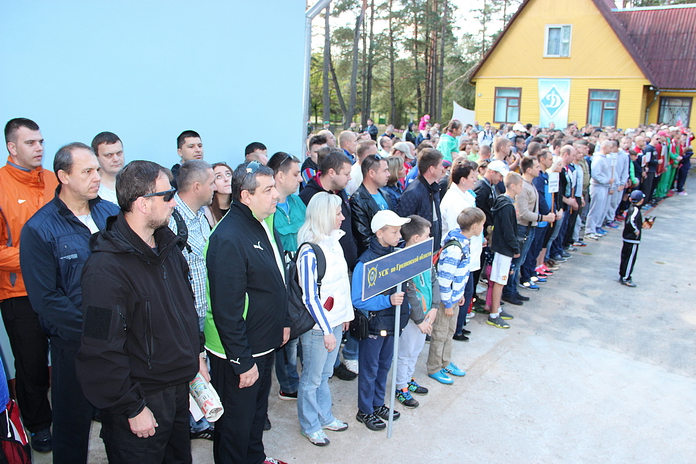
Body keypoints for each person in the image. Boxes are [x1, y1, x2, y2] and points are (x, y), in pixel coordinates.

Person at [75, 160, 204, 463]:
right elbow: (98, 349)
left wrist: (196, 356)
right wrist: (131, 407)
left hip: (177, 390)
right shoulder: (104, 269)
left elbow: (185, 309)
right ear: (143, 204)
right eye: (167, 195)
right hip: (140, 399)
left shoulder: (169, 248)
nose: (174, 202)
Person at [20, 142, 120, 463]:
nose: (97, 177)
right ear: (63, 176)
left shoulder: (110, 213)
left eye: (97, 170)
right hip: (74, 345)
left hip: (120, 339)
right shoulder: (39, 229)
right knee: (72, 429)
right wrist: (98, 329)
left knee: (121, 421)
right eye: (87, 171)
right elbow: (46, 299)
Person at [205, 161, 289, 464]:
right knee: (234, 426)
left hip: (264, 343)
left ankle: (255, 458)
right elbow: (227, 310)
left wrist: (284, 321)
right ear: (246, 195)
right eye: (268, 190)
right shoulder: (228, 237)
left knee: (255, 415)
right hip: (239, 353)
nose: (276, 195)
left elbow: (277, 277)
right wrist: (242, 361)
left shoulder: (262, 221)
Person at [0, 118, 56, 453]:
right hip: (19, 292)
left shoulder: (54, 180)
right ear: (12, 147)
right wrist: (36, 257)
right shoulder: (1, 186)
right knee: (31, 363)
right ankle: (39, 425)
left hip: (61, 289)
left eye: (41, 142)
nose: (39, 148)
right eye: (30, 143)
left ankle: (81, 408)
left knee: (73, 354)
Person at [295, 192, 353, 446]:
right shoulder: (309, 251)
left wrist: (345, 316)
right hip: (319, 329)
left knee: (325, 373)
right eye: (338, 213)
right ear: (324, 216)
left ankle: (324, 416)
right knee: (312, 378)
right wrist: (327, 329)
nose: (342, 217)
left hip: (335, 323)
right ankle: (310, 425)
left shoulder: (334, 242)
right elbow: (310, 298)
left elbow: (342, 285)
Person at [167, 160, 216, 440]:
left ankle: (202, 419)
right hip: (185, 313)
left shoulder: (201, 215)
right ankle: (192, 424)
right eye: (211, 183)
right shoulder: (172, 220)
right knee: (188, 369)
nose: (215, 187)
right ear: (197, 187)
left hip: (203, 310)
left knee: (201, 370)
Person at [351, 210, 408, 431]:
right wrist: (388, 301)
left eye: (399, 231)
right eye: (394, 232)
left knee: (384, 366)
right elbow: (358, 300)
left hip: (392, 323)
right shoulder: (365, 263)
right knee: (370, 369)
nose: (399, 236)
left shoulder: (397, 255)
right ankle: (365, 410)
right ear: (379, 233)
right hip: (374, 326)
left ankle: (377, 403)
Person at [428, 207, 485, 385]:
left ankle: (445, 362)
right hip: (446, 302)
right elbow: (444, 280)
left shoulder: (463, 242)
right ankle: (434, 367)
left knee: (449, 332)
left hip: (453, 299)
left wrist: (459, 295)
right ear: (474, 226)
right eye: (482, 224)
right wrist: (447, 303)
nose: (483, 228)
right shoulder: (455, 249)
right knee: (440, 333)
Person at [268, 152, 306, 403]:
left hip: (300, 277)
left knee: (298, 329)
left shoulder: (298, 203)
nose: (300, 179)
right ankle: (288, 384)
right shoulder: (267, 207)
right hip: (279, 280)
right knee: (286, 335)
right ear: (279, 177)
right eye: (295, 174)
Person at [394, 215, 437, 408]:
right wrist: (419, 320)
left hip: (427, 314)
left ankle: (408, 378)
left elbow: (434, 281)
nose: (430, 238)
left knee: (417, 350)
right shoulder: (405, 260)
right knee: (405, 352)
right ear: (416, 238)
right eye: (427, 235)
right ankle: (400, 387)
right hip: (414, 319)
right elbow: (410, 293)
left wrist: (434, 307)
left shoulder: (425, 255)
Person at [440, 159, 482, 340]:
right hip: (458, 255)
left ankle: (459, 325)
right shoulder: (454, 200)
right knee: (461, 290)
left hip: (467, 253)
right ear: (463, 179)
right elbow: (456, 230)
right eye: (473, 176)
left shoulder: (464, 195)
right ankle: (455, 328)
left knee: (467, 291)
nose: (476, 179)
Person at [487, 172, 524, 328]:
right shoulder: (507, 205)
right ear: (513, 186)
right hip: (504, 249)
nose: (522, 188)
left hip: (501, 247)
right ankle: (494, 314)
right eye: (520, 185)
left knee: (500, 280)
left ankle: (497, 308)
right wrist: (515, 247)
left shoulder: (504, 202)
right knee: (499, 281)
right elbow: (508, 230)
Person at [396, 148, 445, 252]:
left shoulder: (434, 188)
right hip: (419, 250)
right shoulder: (413, 192)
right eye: (440, 165)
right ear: (431, 169)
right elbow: (403, 223)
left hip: (433, 246)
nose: (443, 169)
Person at [350, 154, 393, 255]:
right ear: (372, 173)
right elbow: (364, 239)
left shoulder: (386, 195)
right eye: (385, 171)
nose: (388, 174)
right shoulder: (358, 200)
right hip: (375, 257)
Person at [619, 190, 645, 287]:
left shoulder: (631, 208)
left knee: (625, 257)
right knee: (630, 259)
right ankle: (626, 278)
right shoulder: (636, 210)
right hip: (632, 239)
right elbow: (631, 221)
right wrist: (636, 230)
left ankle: (622, 274)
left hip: (627, 237)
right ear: (641, 200)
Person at [91, 131, 125, 204]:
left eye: (119, 153)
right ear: (96, 157)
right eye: (109, 155)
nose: (116, 159)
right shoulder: (92, 188)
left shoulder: (135, 183)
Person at [208, 162, 233, 227]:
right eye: (219, 176)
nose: (226, 179)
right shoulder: (206, 212)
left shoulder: (240, 206)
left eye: (228, 174)